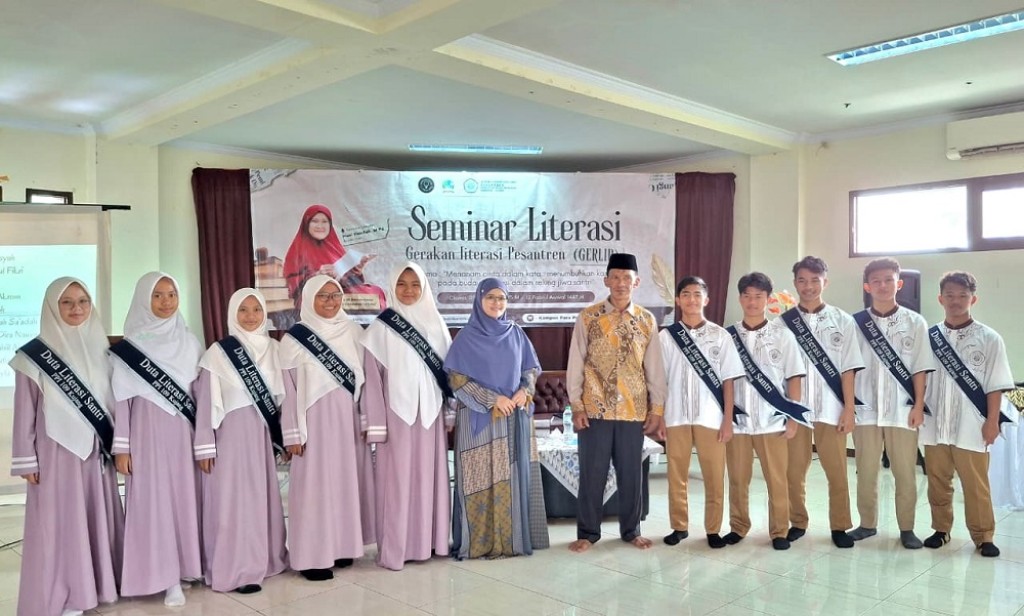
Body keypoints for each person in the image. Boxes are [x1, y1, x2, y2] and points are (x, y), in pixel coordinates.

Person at [9, 277, 124, 616]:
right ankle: (66, 592)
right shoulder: (32, 357)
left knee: (94, 518)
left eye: (83, 301)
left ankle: (100, 587)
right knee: (60, 524)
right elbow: (24, 412)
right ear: (51, 307)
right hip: (55, 454)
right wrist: (26, 459)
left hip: (94, 453)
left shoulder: (104, 351)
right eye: (67, 302)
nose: (77, 309)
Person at [109, 273, 203, 607]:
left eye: (172, 294)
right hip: (146, 435)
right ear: (143, 299)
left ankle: (184, 567)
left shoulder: (190, 342)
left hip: (183, 435)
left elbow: (199, 394)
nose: (166, 302)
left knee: (183, 501)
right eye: (158, 295)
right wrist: (122, 447)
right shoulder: (132, 346)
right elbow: (122, 400)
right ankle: (162, 577)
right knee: (153, 503)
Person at [567, 253, 667, 553]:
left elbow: (654, 369)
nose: (621, 283)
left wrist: (657, 409)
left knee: (631, 474)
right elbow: (576, 361)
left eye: (627, 278)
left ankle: (631, 530)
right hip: (594, 408)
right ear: (606, 281)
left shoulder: (647, 320)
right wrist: (577, 405)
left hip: (633, 410)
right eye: (616, 277)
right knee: (591, 473)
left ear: (636, 282)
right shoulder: (589, 317)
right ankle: (587, 532)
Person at [445, 277, 548, 559]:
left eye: (501, 298)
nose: (496, 303)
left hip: (513, 417)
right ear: (479, 300)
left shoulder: (516, 333)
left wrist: (523, 391)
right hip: (480, 420)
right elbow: (456, 379)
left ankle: (511, 541)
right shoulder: (466, 337)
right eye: (490, 297)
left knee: (511, 477)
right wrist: (493, 399)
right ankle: (479, 542)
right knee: (479, 479)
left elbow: (531, 369)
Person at [279, 275, 375, 580]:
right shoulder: (294, 339)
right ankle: (312, 557)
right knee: (314, 489)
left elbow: (367, 382)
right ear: (308, 299)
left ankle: (343, 546)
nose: (330, 302)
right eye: (323, 296)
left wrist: (366, 421)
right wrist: (292, 432)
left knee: (347, 484)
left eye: (335, 295)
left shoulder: (355, 332)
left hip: (347, 423)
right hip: (313, 425)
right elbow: (288, 390)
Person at [194, 288, 288, 594]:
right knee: (233, 503)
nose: (250, 317)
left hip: (260, 438)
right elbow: (207, 402)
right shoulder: (218, 353)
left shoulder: (275, 349)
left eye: (256, 310)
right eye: (243, 310)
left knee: (259, 498)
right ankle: (236, 568)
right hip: (229, 440)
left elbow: (284, 397)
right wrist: (205, 444)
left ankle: (264, 560)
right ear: (232, 314)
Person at [361, 262, 452, 570]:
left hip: (431, 417)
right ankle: (396, 547)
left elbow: (450, 377)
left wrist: (449, 415)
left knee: (429, 479)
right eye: (402, 284)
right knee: (396, 483)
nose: (409, 290)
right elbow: (372, 381)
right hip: (395, 418)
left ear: (424, 287)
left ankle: (429, 543)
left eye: (415, 284)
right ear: (392, 287)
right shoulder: (379, 329)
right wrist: (376, 424)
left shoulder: (437, 325)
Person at [920, 271, 1017, 557]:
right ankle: (941, 529)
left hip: (971, 424)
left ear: (973, 299)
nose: (956, 301)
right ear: (940, 298)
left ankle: (983, 535)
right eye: (949, 295)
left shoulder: (989, 338)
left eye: (962, 296)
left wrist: (991, 422)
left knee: (976, 484)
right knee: (937, 481)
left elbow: (996, 384)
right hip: (935, 422)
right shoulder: (929, 338)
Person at [851, 258, 935, 548]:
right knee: (866, 471)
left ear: (899, 284)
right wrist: (849, 407)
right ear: (867, 286)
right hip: (866, 411)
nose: (883, 286)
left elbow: (921, 367)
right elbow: (847, 369)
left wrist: (918, 405)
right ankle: (866, 524)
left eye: (889, 280)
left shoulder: (915, 323)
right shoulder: (855, 324)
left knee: (904, 472)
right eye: (877, 281)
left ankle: (907, 528)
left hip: (903, 409)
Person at [781, 256, 862, 548]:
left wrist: (850, 409)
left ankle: (840, 525)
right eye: (802, 280)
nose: (809, 286)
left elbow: (849, 368)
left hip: (832, 408)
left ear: (825, 282)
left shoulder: (843, 320)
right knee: (793, 470)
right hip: (796, 411)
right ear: (795, 283)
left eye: (815, 280)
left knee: (836, 469)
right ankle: (797, 521)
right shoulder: (783, 324)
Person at [725, 272, 809, 550]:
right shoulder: (728, 336)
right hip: (738, 422)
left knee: (777, 478)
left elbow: (794, 377)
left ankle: (779, 531)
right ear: (740, 298)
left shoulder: (782, 335)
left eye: (758, 296)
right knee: (738, 479)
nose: (752, 301)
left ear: (768, 299)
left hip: (773, 421)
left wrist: (793, 418)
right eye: (747, 296)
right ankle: (738, 526)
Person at [659, 276, 745, 549]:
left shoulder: (721, 335)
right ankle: (679, 526)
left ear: (706, 300)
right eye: (686, 294)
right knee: (676, 475)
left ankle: (713, 529)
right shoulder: (666, 337)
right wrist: (659, 415)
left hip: (711, 417)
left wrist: (728, 420)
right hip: (676, 416)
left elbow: (729, 380)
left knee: (714, 474)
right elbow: (660, 381)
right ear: (678, 300)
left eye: (698, 294)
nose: (692, 300)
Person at [282, 204, 385, 310]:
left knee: (375, 293)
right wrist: (317, 275)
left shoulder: (335, 247)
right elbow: (292, 285)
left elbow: (349, 283)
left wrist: (356, 270)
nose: (320, 226)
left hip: (339, 294)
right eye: (315, 221)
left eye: (324, 222)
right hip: (315, 297)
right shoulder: (297, 250)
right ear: (306, 223)